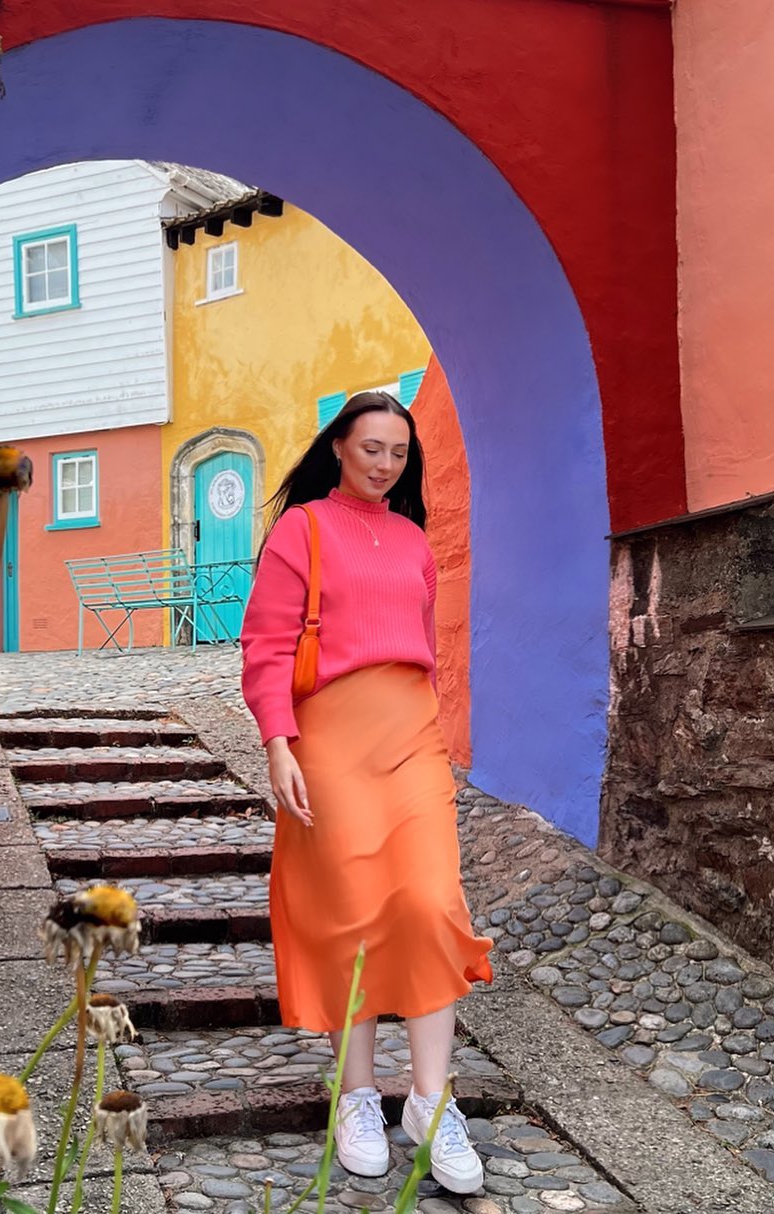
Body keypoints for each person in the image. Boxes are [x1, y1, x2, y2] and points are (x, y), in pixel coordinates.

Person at [240, 391, 493, 1192]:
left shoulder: (414, 540)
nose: (385, 464)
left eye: (398, 452)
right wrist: (278, 743)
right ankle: (355, 1095)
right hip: (330, 742)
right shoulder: (302, 528)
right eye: (371, 447)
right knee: (348, 912)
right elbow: (265, 644)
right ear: (339, 448)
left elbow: (423, 651)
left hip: (411, 736)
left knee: (430, 904)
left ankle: (430, 1101)